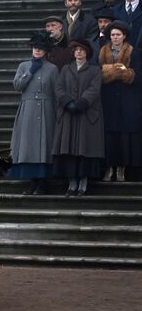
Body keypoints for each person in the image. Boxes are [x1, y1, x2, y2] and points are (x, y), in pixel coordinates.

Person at [10, 31, 60, 194]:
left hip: (46, 110)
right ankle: (32, 181)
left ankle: (43, 182)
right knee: (28, 145)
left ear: (46, 51)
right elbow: (17, 86)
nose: (37, 50)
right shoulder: (24, 66)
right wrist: (31, 71)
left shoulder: (52, 69)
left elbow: (56, 92)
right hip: (28, 110)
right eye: (35, 48)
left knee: (44, 145)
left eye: (40, 48)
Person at [53, 40, 104, 196]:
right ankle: (71, 183)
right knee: (68, 147)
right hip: (68, 113)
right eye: (76, 50)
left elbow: (94, 89)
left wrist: (82, 102)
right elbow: (59, 87)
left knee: (84, 148)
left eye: (82, 50)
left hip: (87, 114)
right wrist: (67, 102)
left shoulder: (95, 70)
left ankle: (83, 182)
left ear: (87, 52)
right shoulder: (66, 69)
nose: (79, 52)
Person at [97, 22, 142, 182]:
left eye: (118, 35)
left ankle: (122, 169)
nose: (115, 38)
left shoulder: (134, 53)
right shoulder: (102, 52)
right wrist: (117, 70)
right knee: (109, 135)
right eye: (113, 35)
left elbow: (136, 75)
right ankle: (109, 168)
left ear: (124, 36)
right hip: (108, 99)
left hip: (128, 100)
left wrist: (115, 72)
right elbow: (98, 74)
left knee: (124, 135)